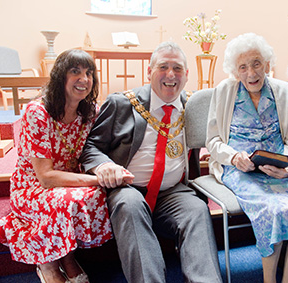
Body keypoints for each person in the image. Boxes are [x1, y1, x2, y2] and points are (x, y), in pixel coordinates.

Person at [79, 41, 222, 283]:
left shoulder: (194, 106)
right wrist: (105, 166)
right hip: (129, 188)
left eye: (177, 68)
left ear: (186, 75)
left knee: (197, 210)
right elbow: (90, 147)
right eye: (163, 67)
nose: (170, 75)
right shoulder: (121, 104)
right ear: (149, 71)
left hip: (173, 192)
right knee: (130, 206)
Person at [206, 33, 288, 283]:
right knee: (273, 209)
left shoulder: (282, 90)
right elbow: (213, 142)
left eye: (257, 63)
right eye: (243, 67)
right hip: (240, 169)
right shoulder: (225, 91)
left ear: (267, 64)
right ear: (235, 71)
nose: (251, 72)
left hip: (278, 169)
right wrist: (234, 157)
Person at [0, 49, 113, 283]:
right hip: (33, 186)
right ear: (60, 76)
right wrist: (99, 178)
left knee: (97, 195)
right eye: (75, 71)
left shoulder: (89, 113)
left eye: (89, 73)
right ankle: (48, 263)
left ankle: (67, 257)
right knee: (66, 199)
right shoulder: (38, 112)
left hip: (70, 181)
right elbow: (46, 177)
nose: (84, 79)